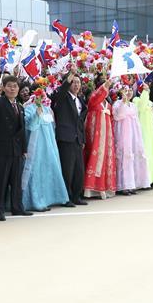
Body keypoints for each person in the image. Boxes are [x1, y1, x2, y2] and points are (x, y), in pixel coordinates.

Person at [0, 75, 32, 221]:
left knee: (16, 180)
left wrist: (24, 149)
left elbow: (22, 129)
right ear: (4, 88)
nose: (13, 89)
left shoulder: (19, 106)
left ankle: (17, 207)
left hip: (16, 149)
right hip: (2, 148)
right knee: (0, 181)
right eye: (10, 86)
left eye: (15, 86)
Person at [22, 91, 69, 211]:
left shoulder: (48, 109)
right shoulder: (28, 109)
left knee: (49, 171)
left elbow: (52, 128)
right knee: (36, 172)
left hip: (49, 146)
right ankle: (36, 201)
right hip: (36, 147)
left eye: (43, 95)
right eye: (38, 95)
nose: (41, 97)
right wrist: (36, 115)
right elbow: (30, 126)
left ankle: (51, 199)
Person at [50, 72, 88, 207]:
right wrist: (69, 76)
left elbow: (80, 122)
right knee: (67, 170)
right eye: (74, 82)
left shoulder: (80, 101)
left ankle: (76, 196)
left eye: (78, 82)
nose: (76, 85)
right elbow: (60, 92)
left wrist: (82, 139)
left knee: (79, 170)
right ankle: (66, 197)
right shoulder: (63, 98)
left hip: (77, 139)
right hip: (66, 138)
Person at [113, 85, 151, 195]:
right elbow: (118, 116)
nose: (128, 92)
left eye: (130, 90)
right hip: (123, 135)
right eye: (126, 90)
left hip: (133, 134)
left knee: (135, 156)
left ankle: (133, 183)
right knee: (124, 157)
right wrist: (123, 102)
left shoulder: (133, 105)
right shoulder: (118, 103)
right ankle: (123, 185)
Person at [83, 78, 117, 199]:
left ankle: (103, 188)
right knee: (94, 160)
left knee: (105, 162)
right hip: (95, 138)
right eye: (103, 87)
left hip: (106, 138)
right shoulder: (94, 101)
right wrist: (105, 85)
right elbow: (96, 96)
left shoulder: (107, 105)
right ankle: (91, 189)